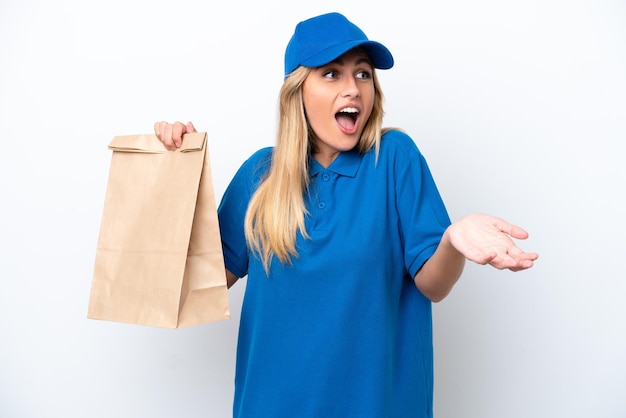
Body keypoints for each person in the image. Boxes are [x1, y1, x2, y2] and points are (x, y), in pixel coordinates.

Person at [154, 12, 538, 418]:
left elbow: (434, 284)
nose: (352, 89)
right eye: (332, 74)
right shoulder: (259, 177)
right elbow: (195, 289)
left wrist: (453, 240)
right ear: (298, 91)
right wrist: (172, 177)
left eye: (363, 74)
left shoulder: (393, 160)